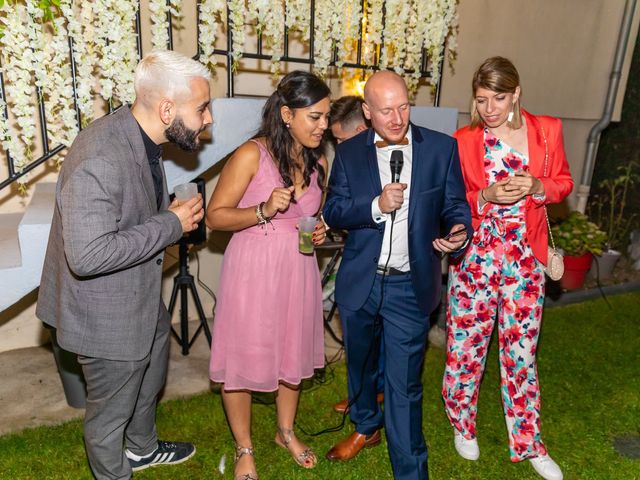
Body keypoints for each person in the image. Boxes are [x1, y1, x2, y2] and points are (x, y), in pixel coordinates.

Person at [36, 50, 211, 479]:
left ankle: (142, 448)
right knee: (107, 419)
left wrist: (164, 216)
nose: (208, 120)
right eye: (203, 108)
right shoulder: (100, 155)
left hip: (138, 296)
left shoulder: (143, 138)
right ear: (167, 108)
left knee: (151, 372)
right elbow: (89, 254)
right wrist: (171, 223)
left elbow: (126, 216)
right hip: (104, 315)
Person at [323, 70, 472, 480]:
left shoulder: (440, 148)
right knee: (359, 364)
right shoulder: (350, 153)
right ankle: (367, 426)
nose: (396, 118)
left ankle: (411, 473)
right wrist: (374, 206)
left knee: (404, 386)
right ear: (367, 112)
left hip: (410, 286)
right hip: (360, 282)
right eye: (385, 110)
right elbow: (333, 211)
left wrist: (458, 233)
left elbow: (456, 207)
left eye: (403, 106)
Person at [441, 57, 573, 480]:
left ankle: (529, 442)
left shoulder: (547, 130)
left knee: (521, 351)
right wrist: (486, 197)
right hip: (477, 256)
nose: (490, 108)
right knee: (467, 345)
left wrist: (538, 186)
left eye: (499, 98)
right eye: (482, 100)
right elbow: (452, 199)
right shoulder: (463, 140)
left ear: (516, 93)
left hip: (524, 258)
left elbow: (564, 183)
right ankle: (462, 422)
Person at [206, 70, 329, 480]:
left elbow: (310, 214)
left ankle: (285, 431)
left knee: (291, 350)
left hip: (298, 268)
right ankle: (244, 447)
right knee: (243, 356)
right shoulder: (250, 155)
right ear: (287, 115)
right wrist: (262, 209)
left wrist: (321, 227)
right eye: (315, 117)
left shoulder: (319, 160)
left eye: (326, 116)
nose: (323, 126)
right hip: (253, 271)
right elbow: (215, 216)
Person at [327, 95, 384, 415]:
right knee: (361, 343)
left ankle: (377, 394)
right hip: (361, 264)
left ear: (362, 128)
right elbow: (337, 208)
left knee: (384, 343)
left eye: (339, 139)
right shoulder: (348, 162)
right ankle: (363, 397)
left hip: (394, 267)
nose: (338, 147)